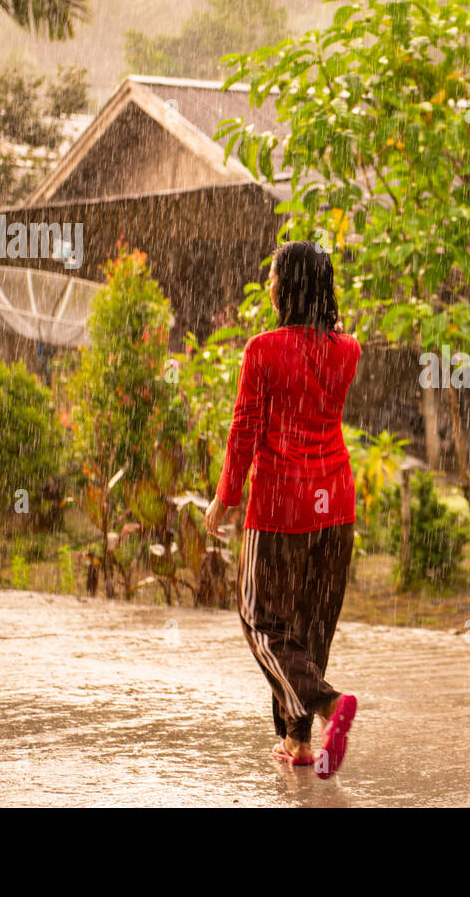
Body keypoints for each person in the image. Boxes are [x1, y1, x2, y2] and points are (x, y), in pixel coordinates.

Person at [205, 240, 361, 779]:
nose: (268, 285)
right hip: (336, 503)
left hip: (280, 505)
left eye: (273, 277)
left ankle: (328, 704)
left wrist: (225, 498)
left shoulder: (263, 349)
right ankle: (297, 745)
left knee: (262, 621)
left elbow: (244, 430)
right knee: (310, 629)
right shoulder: (349, 349)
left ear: (286, 287)